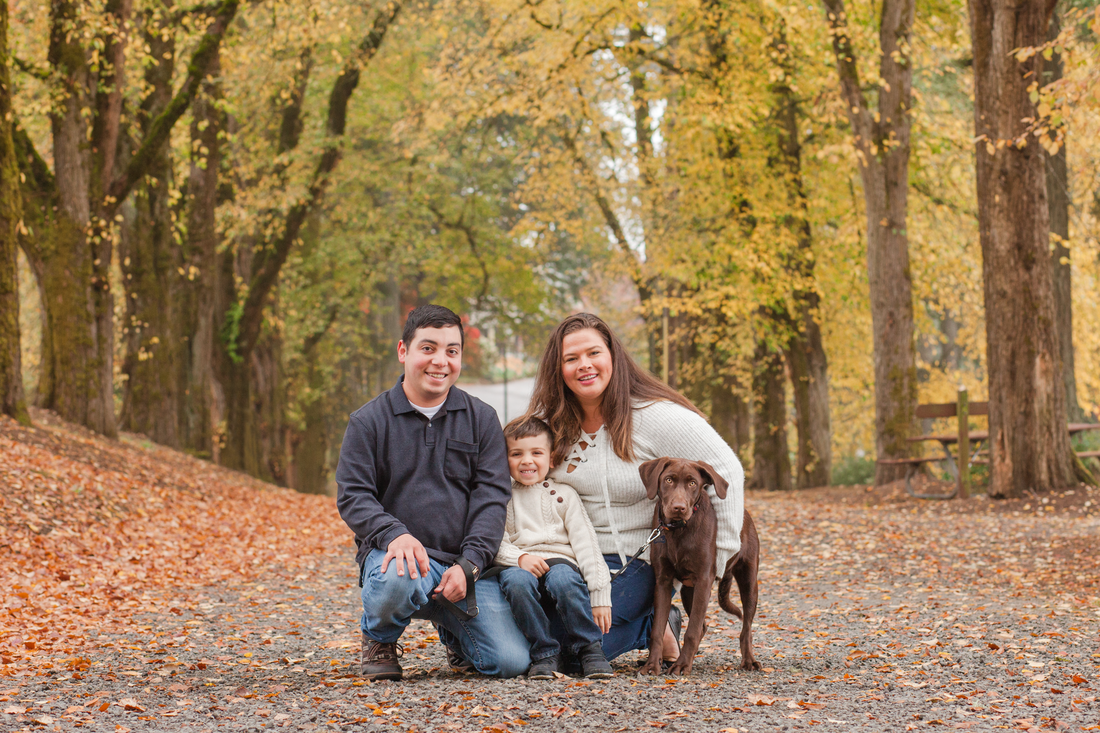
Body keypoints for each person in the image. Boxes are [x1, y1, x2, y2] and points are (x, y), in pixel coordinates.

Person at [526, 312, 745, 663]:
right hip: (570, 561)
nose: (584, 365)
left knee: (572, 653)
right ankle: (650, 625)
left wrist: (716, 561)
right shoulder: (553, 424)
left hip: (637, 561)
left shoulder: (654, 416)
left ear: (613, 356)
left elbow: (727, 471)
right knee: (533, 643)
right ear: (558, 367)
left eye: (593, 353)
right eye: (571, 358)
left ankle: (655, 626)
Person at [335, 304, 530, 680]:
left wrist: (471, 564)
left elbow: (491, 499)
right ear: (403, 351)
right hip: (397, 563)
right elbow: (353, 495)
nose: (440, 361)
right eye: (428, 348)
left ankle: (455, 635)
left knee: (510, 663)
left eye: (451, 351)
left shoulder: (481, 419)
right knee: (397, 578)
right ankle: (380, 637)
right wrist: (395, 534)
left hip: (460, 567)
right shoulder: (368, 422)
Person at [494, 415, 614, 679]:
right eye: (516, 454)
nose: (527, 460)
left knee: (564, 580)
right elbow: (494, 541)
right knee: (516, 583)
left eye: (536, 452)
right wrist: (520, 557)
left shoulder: (564, 495)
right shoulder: (501, 496)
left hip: (560, 560)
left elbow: (586, 545)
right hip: (518, 562)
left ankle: (589, 649)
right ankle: (545, 653)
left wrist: (600, 593)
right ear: (504, 459)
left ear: (551, 459)